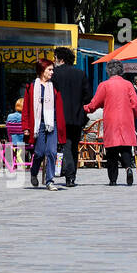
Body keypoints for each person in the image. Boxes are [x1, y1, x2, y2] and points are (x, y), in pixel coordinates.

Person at [84, 61, 137, 186]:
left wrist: (85, 108)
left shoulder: (104, 85)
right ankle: (128, 168)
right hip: (126, 120)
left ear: (108, 71)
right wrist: (135, 115)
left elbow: (94, 104)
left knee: (111, 151)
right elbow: (135, 105)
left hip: (111, 120)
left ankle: (113, 179)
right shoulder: (128, 85)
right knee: (126, 148)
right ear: (121, 71)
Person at [52, 46, 92, 188]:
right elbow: (88, 97)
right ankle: (72, 176)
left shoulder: (54, 74)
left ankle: (68, 174)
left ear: (60, 59)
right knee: (74, 145)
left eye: (55, 58)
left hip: (59, 116)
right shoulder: (80, 74)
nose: (53, 61)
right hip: (77, 116)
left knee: (65, 145)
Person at [22, 59, 65, 190]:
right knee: (39, 153)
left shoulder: (55, 87)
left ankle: (49, 181)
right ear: (42, 71)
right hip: (37, 124)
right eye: (49, 70)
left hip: (52, 123)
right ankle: (34, 172)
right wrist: (26, 127)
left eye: (52, 69)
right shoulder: (31, 87)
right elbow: (26, 109)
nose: (52, 72)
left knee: (51, 152)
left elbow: (59, 107)